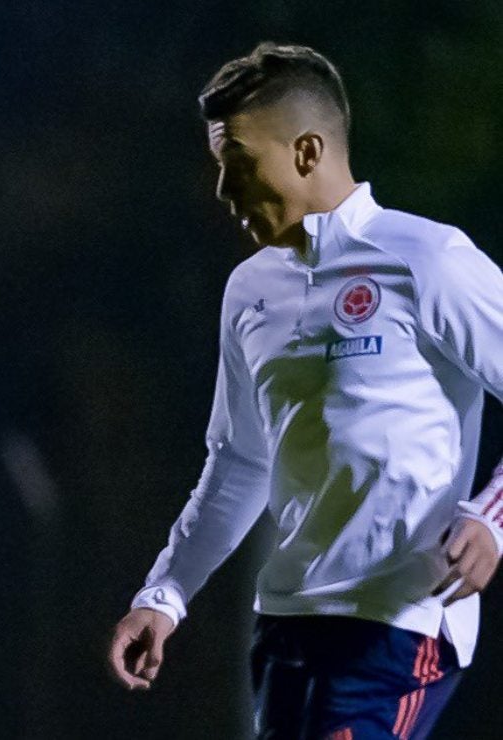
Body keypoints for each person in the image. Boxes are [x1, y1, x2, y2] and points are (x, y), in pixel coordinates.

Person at [106, 43, 503, 739]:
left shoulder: (429, 260)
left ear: (309, 151)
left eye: (239, 167)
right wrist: (165, 595)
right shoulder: (250, 291)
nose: (224, 192)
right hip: (287, 625)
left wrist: (492, 518)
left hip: (397, 623)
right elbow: (239, 464)